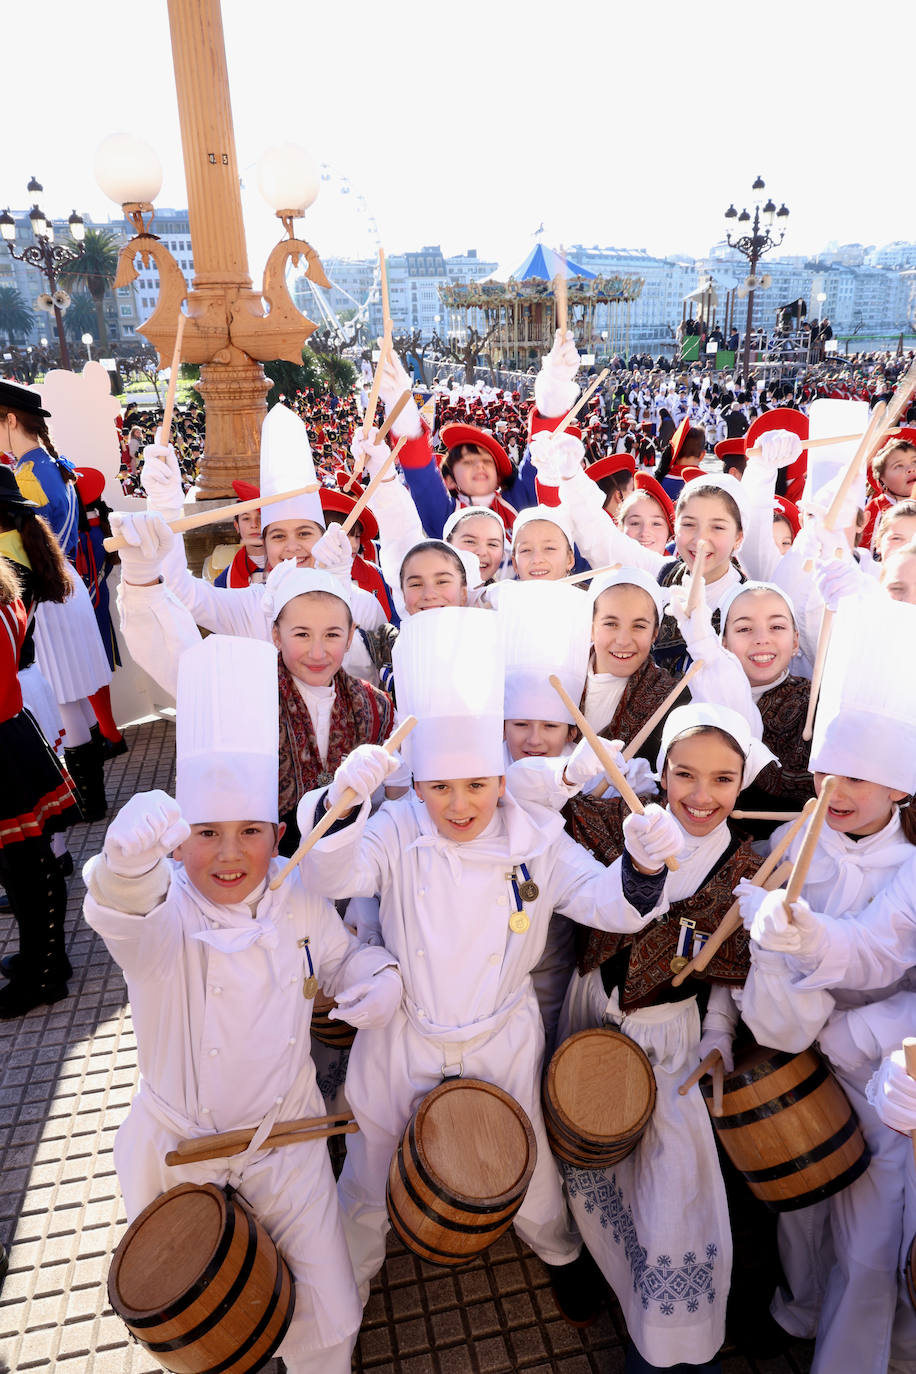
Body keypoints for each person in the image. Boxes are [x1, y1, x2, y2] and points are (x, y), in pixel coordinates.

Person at [295, 607, 686, 1325]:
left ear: (502, 780)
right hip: (404, 1036)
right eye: (441, 788)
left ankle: (559, 1252)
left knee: (530, 1167)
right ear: (417, 787)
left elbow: (614, 904)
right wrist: (342, 804)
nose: (460, 804)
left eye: (477, 785)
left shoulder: (536, 839)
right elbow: (329, 873)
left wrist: (644, 861)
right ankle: (347, 1294)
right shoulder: (397, 831)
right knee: (369, 1175)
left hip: (501, 1037)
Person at [82, 634, 402, 1374]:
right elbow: (126, 920)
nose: (230, 855)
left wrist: (378, 976)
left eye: (250, 833)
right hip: (182, 1157)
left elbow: (344, 956)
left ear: (277, 834)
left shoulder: (295, 894)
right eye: (207, 835)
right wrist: (123, 871)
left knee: (327, 1319)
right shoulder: (168, 911)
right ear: (175, 844)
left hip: (287, 1140)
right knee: (211, 1334)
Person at [556, 703, 776, 1373]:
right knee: (589, 1163)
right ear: (663, 773)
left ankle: (665, 1350)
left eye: (723, 779)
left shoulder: (746, 870)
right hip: (590, 1016)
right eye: (685, 775)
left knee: (673, 1195)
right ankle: (596, 1274)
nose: (702, 795)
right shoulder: (616, 822)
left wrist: (718, 1037)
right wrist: (573, 774)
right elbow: (540, 820)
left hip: (669, 1041)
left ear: (743, 783)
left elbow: (729, 976)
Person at [739, 596, 916, 1374]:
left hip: (883, 1072)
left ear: (902, 788)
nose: (834, 789)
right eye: (824, 771)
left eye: (860, 777)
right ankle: (799, 1312)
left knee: (872, 1238)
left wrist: (809, 939)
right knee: (800, 1211)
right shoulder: (790, 837)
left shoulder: (912, 866)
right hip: (797, 1061)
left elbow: (878, 950)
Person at [0, 497, 81, 1018]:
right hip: (11, 732)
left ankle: (44, 973)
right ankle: (45, 960)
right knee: (25, 865)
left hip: (3, 738)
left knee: (27, 866)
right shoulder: (6, 578)